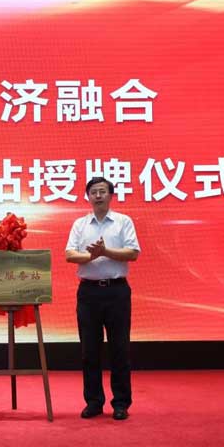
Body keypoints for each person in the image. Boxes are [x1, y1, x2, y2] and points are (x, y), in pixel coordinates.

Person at [65, 177, 140, 420]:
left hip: (117, 291)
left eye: (102, 191)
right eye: (93, 192)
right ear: (88, 197)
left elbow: (132, 253)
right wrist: (91, 256)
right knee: (89, 350)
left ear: (110, 195)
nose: (98, 196)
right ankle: (94, 402)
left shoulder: (123, 221)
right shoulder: (80, 224)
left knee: (120, 348)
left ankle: (121, 403)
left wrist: (105, 251)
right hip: (88, 293)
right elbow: (70, 255)